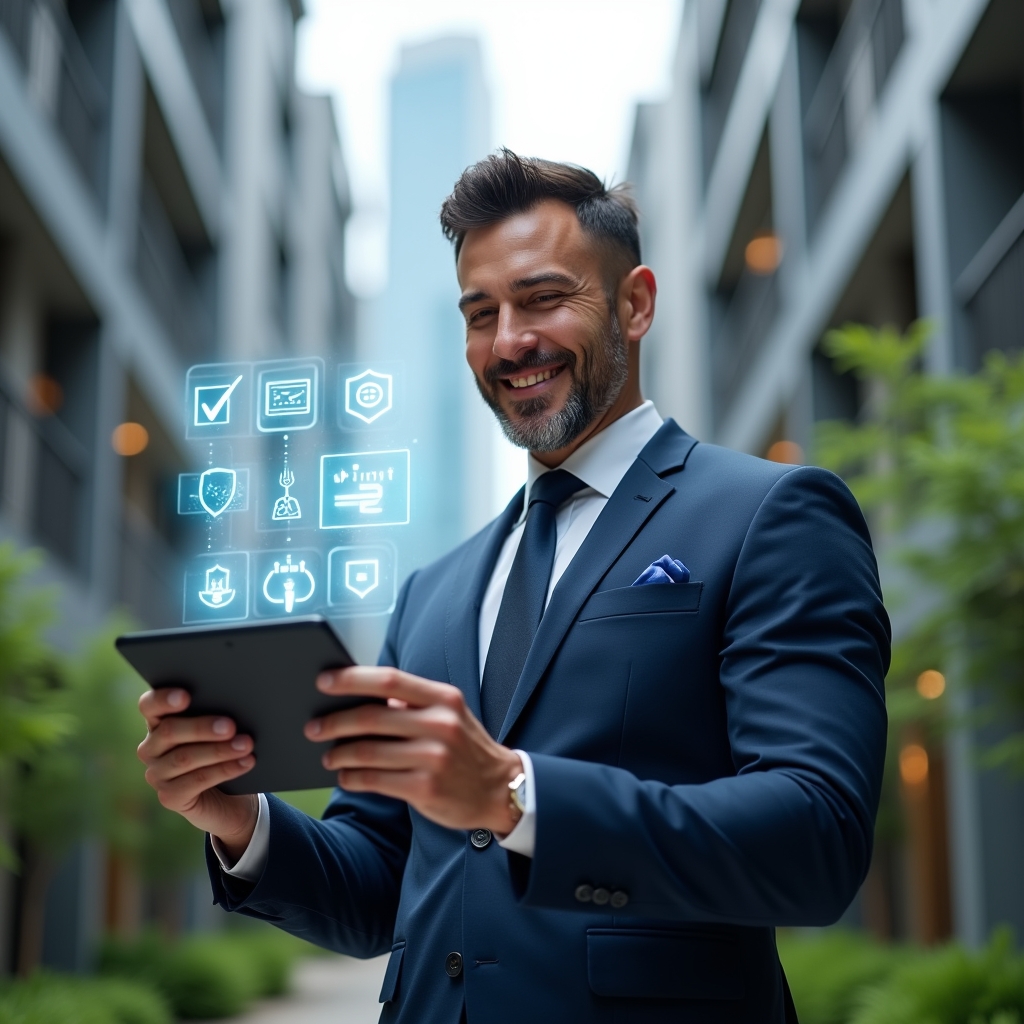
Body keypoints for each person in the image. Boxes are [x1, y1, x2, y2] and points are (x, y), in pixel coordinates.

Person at [137, 150, 889, 1023]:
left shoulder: (771, 514)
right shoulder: (434, 591)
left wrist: (515, 794)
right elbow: (383, 884)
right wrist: (239, 821)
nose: (508, 342)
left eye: (543, 299)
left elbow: (816, 835)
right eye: (479, 313)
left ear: (635, 303)